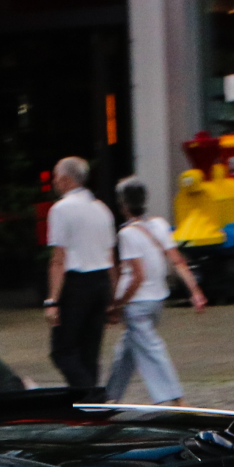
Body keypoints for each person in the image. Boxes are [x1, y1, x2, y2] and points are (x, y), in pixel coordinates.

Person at [103, 176, 204, 404]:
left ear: (123, 205)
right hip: (158, 300)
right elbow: (177, 261)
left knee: (152, 350)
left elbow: (137, 276)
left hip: (137, 304)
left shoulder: (127, 234)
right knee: (128, 351)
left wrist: (118, 303)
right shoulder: (159, 225)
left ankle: (177, 399)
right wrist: (195, 290)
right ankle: (109, 398)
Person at [41, 155, 115, 398]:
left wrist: (52, 299)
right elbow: (111, 257)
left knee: (62, 350)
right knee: (89, 351)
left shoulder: (61, 209)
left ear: (65, 179)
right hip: (101, 280)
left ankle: (93, 395)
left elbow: (58, 259)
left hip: (77, 283)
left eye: (55, 176)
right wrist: (113, 297)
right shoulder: (102, 209)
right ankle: (87, 405)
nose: (53, 181)